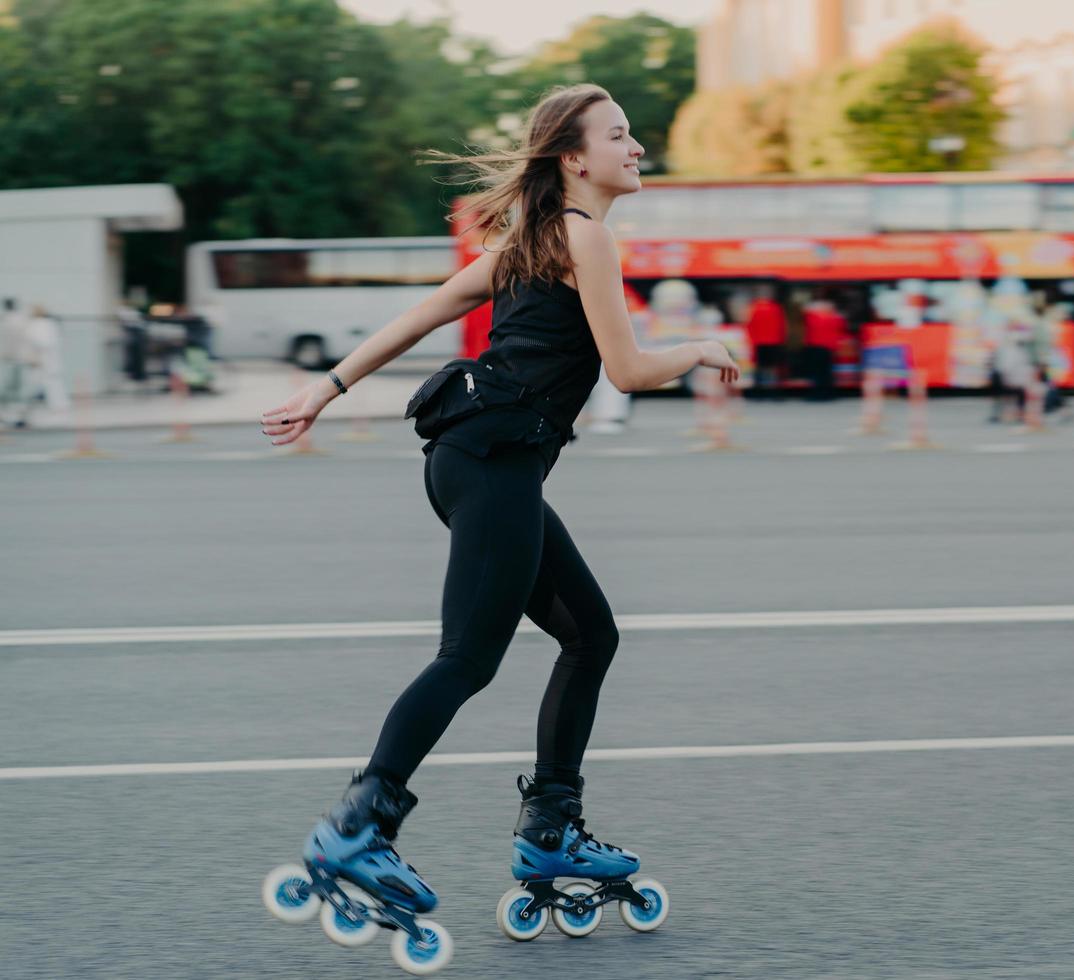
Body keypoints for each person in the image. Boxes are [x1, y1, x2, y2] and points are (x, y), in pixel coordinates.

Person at [258, 84, 737, 959]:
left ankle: (551, 829)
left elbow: (422, 314)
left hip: (479, 462)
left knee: (591, 635)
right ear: (574, 159)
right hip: (492, 464)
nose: (637, 147)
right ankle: (358, 828)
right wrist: (701, 349)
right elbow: (626, 371)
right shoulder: (585, 238)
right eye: (620, 135)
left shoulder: (531, 243)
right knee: (468, 658)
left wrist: (324, 390)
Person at [0, 297, 33, 428]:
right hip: (20, 359)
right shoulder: (22, 321)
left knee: (6, 391)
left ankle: (6, 416)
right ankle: (20, 417)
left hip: (7, 360)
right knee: (20, 391)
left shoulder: (4, 321)